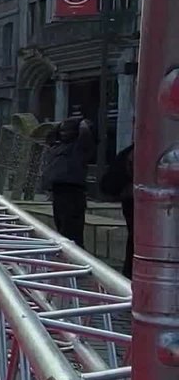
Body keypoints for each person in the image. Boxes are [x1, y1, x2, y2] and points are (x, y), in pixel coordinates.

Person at [41, 117, 94, 247]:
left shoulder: (79, 146)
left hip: (73, 192)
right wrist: (59, 126)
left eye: (67, 131)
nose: (64, 134)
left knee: (72, 230)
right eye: (62, 131)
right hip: (58, 191)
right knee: (61, 226)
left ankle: (74, 254)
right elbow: (50, 137)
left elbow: (86, 133)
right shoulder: (57, 147)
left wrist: (81, 122)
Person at [100, 143, 134, 278]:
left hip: (132, 199)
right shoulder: (136, 153)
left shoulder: (129, 152)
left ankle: (129, 272)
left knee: (134, 238)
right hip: (137, 200)